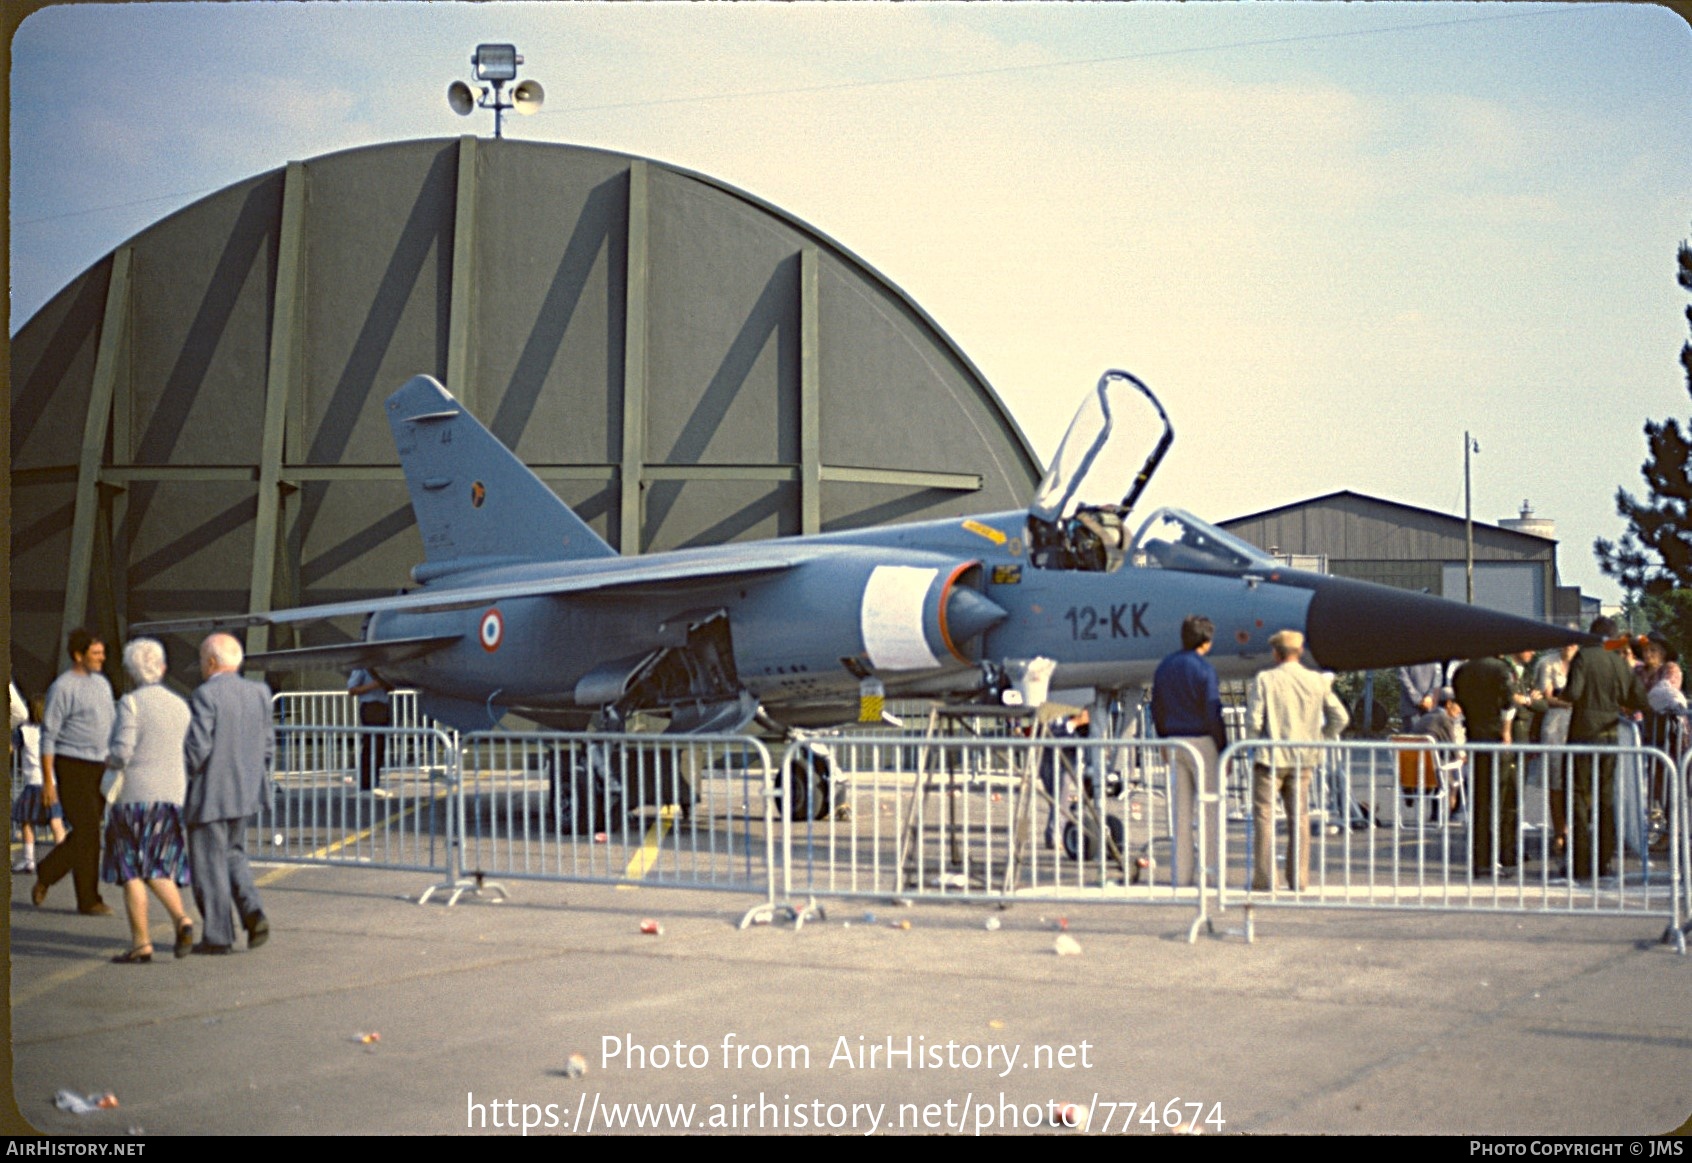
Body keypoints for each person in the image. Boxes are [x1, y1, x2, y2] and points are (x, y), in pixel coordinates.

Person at [102, 639, 196, 963]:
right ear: (163, 667)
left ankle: (141, 943)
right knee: (158, 864)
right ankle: (181, 918)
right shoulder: (180, 705)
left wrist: (107, 758)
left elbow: (122, 751)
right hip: (171, 794)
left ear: (130, 671)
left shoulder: (131, 703)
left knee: (130, 870)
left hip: (134, 796)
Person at [184, 633, 275, 954]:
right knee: (235, 855)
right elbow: (267, 746)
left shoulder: (205, 695)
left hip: (211, 792)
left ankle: (218, 935)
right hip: (246, 791)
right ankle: (252, 912)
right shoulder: (260, 692)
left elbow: (197, 747)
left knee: (208, 864)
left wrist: (181, 777)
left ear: (211, 662)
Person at [1247, 630, 1345, 891]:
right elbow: (1340, 717)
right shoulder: (1316, 681)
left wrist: (1251, 742)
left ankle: (1266, 878)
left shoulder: (1265, 679)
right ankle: (1299, 878)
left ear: (1275, 653)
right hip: (1304, 757)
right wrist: (1321, 737)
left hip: (1271, 756)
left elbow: (1254, 721)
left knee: (1264, 816)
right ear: (1300, 651)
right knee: (1299, 817)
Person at [32, 629, 116, 915]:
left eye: (102, 653)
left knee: (88, 833)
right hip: (71, 764)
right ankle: (87, 897)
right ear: (79, 655)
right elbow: (49, 734)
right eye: (95, 653)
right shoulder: (63, 687)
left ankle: (54, 876)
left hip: (100, 766)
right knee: (88, 830)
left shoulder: (103, 684)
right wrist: (48, 781)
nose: (102, 658)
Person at [1563, 617, 1649, 882]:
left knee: (1578, 796)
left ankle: (1579, 862)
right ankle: (1602, 861)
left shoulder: (1583, 657)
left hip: (1582, 735)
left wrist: (1559, 692)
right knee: (1605, 797)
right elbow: (1635, 698)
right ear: (1611, 637)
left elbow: (1573, 693)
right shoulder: (1617, 661)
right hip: (1609, 734)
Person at [1151, 615, 1228, 888]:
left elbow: (1156, 706)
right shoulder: (1204, 670)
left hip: (1174, 740)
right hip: (1201, 740)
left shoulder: (1164, 667)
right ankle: (1209, 873)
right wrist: (1223, 747)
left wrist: (1162, 737)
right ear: (1206, 642)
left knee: (1181, 812)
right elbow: (1212, 711)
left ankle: (1180, 874)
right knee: (1209, 810)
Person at [1452, 654, 1525, 877]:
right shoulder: (1501, 670)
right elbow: (1509, 705)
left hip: (1475, 737)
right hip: (1496, 739)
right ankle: (1499, 856)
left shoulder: (1462, 671)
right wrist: (1506, 732)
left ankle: (1480, 858)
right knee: (1500, 800)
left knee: (1480, 800)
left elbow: (1460, 703)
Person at [11, 695, 66, 873]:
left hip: (33, 781)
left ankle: (29, 860)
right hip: (52, 781)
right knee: (56, 823)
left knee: (26, 821)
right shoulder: (53, 731)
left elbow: (10, 748)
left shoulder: (24, 730)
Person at [347, 667, 393, 796]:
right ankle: (366, 785)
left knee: (379, 747)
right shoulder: (362, 667)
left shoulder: (381, 667)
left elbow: (389, 688)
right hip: (370, 706)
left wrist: (387, 684)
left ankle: (375, 782)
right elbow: (352, 690)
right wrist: (374, 685)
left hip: (382, 705)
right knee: (370, 746)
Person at [1398, 662, 1447, 732]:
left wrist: (1430, 696)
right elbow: (1403, 678)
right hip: (1411, 708)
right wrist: (1419, 700)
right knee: (1412, 740)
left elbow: (1438, 677)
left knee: (1429, 740)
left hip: (1430, 709)